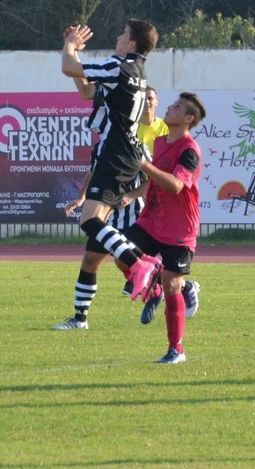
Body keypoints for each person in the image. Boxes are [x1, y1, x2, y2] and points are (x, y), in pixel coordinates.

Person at [58, 21, 163, 308]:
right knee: (93, 248)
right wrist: (73, 52)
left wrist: (69, 46)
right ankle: (80, 318)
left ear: (132, 44)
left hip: (115, 153)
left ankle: (140, 263)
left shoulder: (118, 65)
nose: (117, 37)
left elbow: (68, 68)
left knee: (89, 221)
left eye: (123, 34)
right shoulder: (135, 71)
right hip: (123, 153)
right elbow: (86, 91)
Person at [53, 84, 175, 330]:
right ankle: (80, 319)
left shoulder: (134, 145)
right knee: (90, 261)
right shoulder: (100, 148)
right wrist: (81, 198)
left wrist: (131, 194)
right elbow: (93, 174)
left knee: (127, 263)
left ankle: (180, 288)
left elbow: (153, 177)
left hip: (132, 215)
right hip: (105, 217)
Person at [131, 92, 207, 364]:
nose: (170, 108)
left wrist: (145, 165)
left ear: (188, 119)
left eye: (177, 107)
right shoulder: (160, 141)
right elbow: (153, 178)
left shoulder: (189, 150)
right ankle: (157, 289)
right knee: (122, 252)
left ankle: (176, 350)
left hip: (179, 227)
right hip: (152, 219)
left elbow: (175, 186)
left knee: (172, 283)